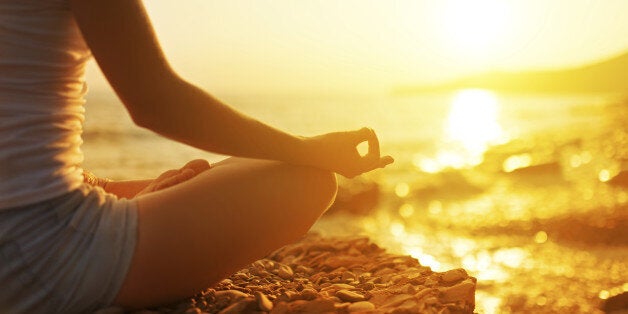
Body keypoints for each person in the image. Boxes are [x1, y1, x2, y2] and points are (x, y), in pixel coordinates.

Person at [0, 0, 393, 312]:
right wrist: (309, 149)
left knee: (210, 175)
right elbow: (156, 104)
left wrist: (113, 189)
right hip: (41, 258)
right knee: (306, 179)